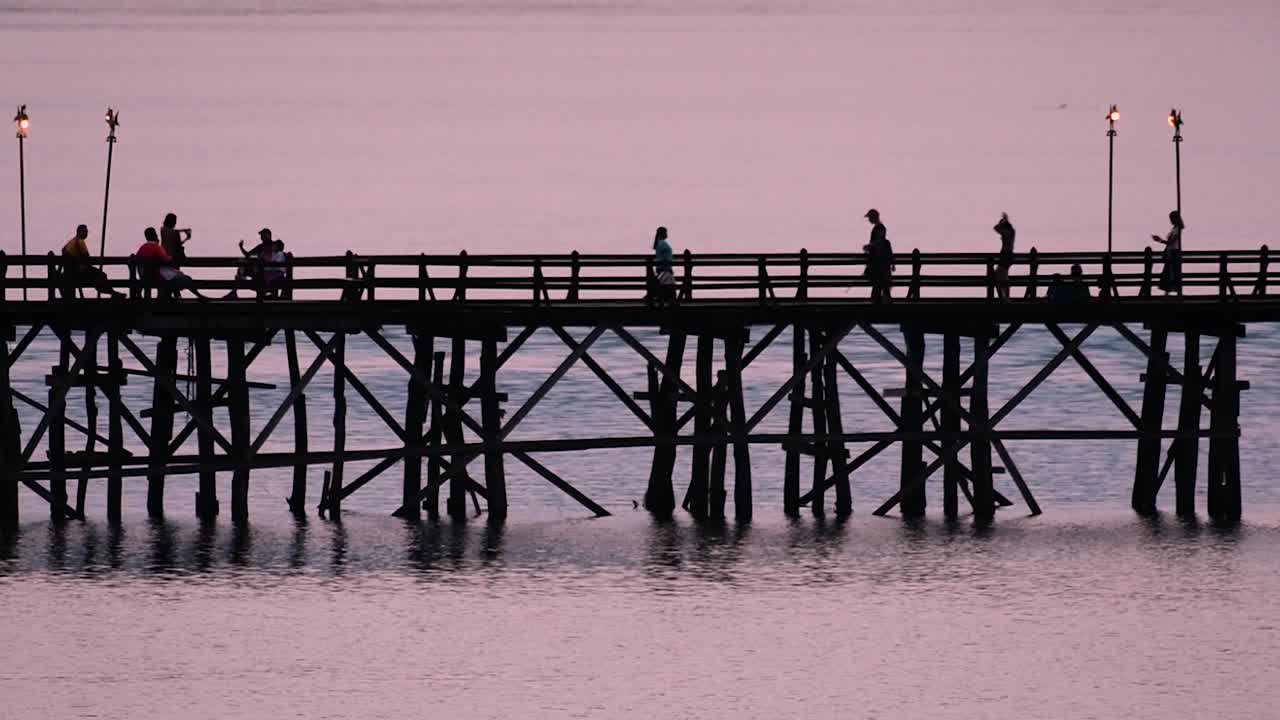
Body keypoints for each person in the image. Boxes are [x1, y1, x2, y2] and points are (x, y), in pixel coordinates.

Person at [134, 227, 207, 299]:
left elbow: (136, 259)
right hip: (159, 276)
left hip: (145, 277)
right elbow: (166, 260)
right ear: (155, 236)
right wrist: (171, 257)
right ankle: (199, 296)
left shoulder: (142, 248)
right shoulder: (156, 247)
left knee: (176, 279)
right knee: (186, 279)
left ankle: (173, 297)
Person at [59, 224, 123, 298]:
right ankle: (112, 293)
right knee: (101, 275)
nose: (86, 233)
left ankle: (112, 293)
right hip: (78, 271)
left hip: (70, 271)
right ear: (79, 232)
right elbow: (86, 256)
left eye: (86, 231)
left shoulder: (71, 242)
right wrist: (95, 260)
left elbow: (64, 251)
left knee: (97, 275)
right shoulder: (80, 241)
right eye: (84, 231)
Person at [225, 228, 277, 298]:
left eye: (263, 235)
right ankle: (234, 291)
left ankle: (234, 291)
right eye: (261, 236)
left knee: (244, 269)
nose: (261, 237)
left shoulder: (274, 245)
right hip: (258, 272)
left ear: (268, 235)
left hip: (266, 273)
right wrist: (241, 247)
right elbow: (248, 254)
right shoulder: (260, 247)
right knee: (241, 269)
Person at [863, 208, 893, 303]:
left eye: (869, 217)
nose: (869, 220)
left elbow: (878, 243)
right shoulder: (880, 228)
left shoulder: (879, 228)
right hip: (881, 265)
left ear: (873, 217)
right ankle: (883, 304)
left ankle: (878, 306)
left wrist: (869, 247)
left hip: (878, 264)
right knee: (881, 287)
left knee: (878, 286)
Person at [1152, 210, 1184, 295]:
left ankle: (1170, 292)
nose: (1170, 220)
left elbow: (1171, 242)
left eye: (1171, 218)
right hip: (1171, 251)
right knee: (1169, 272)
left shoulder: (1177, 229)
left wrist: (1159, 240)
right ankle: (1168, 292)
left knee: (1170, 272)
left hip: (1173, 252)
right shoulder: (1175, 229)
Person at [650, 226, 676, 303]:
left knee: (666, 287)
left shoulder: (659, 243)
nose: (667, 234)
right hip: (665, 269)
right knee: (669, 287)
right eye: (665, 232)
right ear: (662, 233)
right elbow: (665, 257)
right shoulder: (662, 244)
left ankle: (665, 300)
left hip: (663, 268)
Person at [993, 212, 1016, 301]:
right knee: (1001, 276)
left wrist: (1004, 221)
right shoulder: (1010, 232)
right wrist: (1004, 221)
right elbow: (997, 229)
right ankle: (1005, 297)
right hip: (1006, 255)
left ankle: (1005, 298)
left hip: (1006, 256)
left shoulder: (1009, 232)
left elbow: (996, 228)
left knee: (1001, 277)